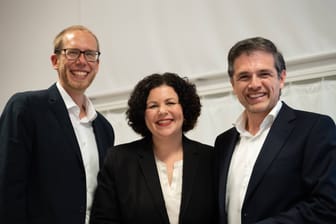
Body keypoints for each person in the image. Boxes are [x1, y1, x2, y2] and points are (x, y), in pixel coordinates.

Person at [214, 36, 336, 224]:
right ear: (233, 84)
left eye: (264, 74)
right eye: (244, 76)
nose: (254, 84)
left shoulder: (314, 129)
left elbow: (327, 205)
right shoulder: (223, 142)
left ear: (281, 78)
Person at [0, 25, 115, 224]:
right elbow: (6, 187)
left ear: (97, 64)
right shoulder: (26, 108)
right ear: (55, 60)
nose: (82, 61)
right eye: (72, 53)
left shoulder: (104, 128)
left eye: (90, 54)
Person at [90, 72, 217, 224]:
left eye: (170, 103)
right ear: (143, 115)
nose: (162, 111)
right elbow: (103, 220)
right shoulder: (119, 160)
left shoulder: (211, 158)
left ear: (185, 109)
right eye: (153, 106)